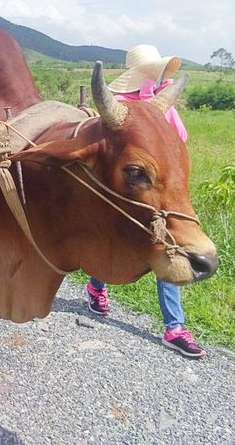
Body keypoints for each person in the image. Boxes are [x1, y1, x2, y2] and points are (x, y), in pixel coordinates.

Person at [84, 44, 205, 358]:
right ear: (142, 74)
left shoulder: (163, 105)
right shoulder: (118, 107)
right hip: (128, 193)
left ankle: (174, 327)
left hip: (162, 192)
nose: (160, 76)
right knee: (115, 241)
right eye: (155, 71)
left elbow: (178, 143)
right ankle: (97, 285)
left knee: (169, 246)